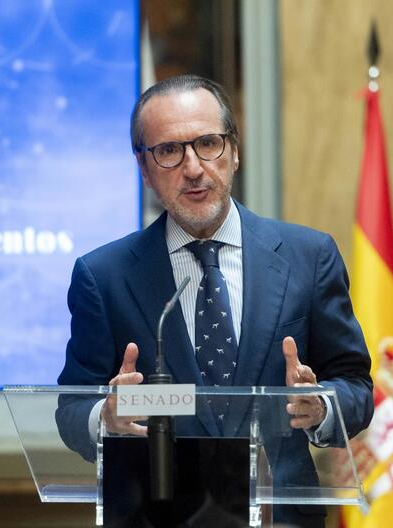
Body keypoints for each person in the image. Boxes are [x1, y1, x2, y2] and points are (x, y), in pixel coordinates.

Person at [56, 74, 373, 527]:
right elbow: (71, 409)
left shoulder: (309, 257)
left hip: (278, 516)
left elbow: (356, 386)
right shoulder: (103, 277)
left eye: (208, 143)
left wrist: (320, 406)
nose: (193, 167)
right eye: (169, 151)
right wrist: (105, 416)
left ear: (234, 151)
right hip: (158, 516)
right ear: (144, 168)